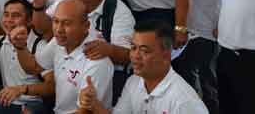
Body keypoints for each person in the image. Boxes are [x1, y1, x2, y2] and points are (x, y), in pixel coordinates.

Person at [34, 0, 135, 102]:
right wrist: (38, 7)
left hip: (104, 77)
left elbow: (128, 56)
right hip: (69, 66)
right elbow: (42, 29)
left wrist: (109, 50)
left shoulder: (119, 12)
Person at [78, 20, 208, 114]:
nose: (135, 56)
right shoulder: (134, 81)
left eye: (144, 51)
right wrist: (93, 103)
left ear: (166, 54)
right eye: (133, 48)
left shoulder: (184, 102)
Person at [12, 0, 115, 114]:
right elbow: (33, 67)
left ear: (86, 26)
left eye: (67, 23)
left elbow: (85, 111)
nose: (59, 29)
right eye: (55, 21)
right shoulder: (59, 41)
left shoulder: (97, 61)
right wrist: (20, 47)